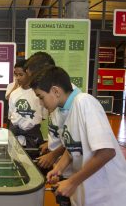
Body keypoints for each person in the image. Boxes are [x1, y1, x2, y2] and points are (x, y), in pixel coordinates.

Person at [30, 66, 126, 206]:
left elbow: (107, 151)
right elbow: (72, 147)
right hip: (87, 196)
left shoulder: (84, 102)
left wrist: (71, 182)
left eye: (41, 97)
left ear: (56, 91)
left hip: (107, 197)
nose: (40, 103)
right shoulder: (66, 111)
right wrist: (59, 169)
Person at [8, 62, 44, 149]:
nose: (18, 78)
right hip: (16, 139)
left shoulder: (38, 93)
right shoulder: (14, 94)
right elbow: (11, 116)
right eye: (16, 75)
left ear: (29, 73)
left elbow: (43, 116)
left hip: (33, 138)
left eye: (21, 74)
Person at [5, 60, 23, 128]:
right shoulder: (10, 85)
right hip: (12, 118)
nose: (17, 77)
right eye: (16, 74)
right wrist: (15, 86)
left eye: (20, 74)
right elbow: (7, 98)